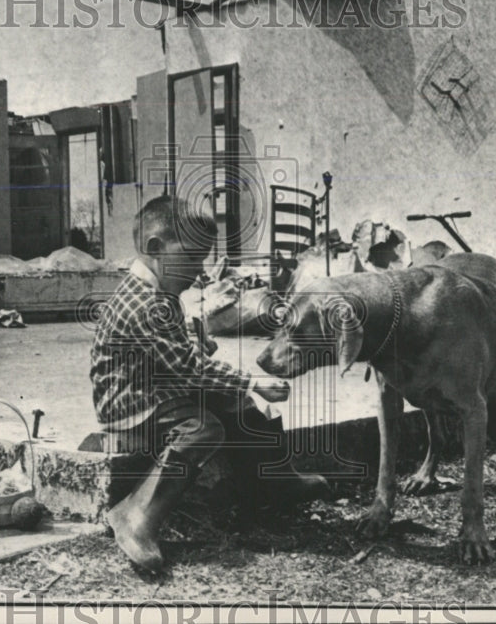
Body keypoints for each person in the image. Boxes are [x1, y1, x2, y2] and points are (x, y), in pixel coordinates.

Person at [90, 195, 330, 571]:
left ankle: (275, 479)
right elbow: (188, 370)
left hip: (155, 385)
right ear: (155, 249)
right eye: (191, 258)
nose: (200, 270)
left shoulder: (158, 293)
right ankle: (137, 516)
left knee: (234, 400)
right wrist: (252, 381)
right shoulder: (147, 303)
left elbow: (177, 356)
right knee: (203, 427)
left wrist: (197, 342)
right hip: (130, 401)